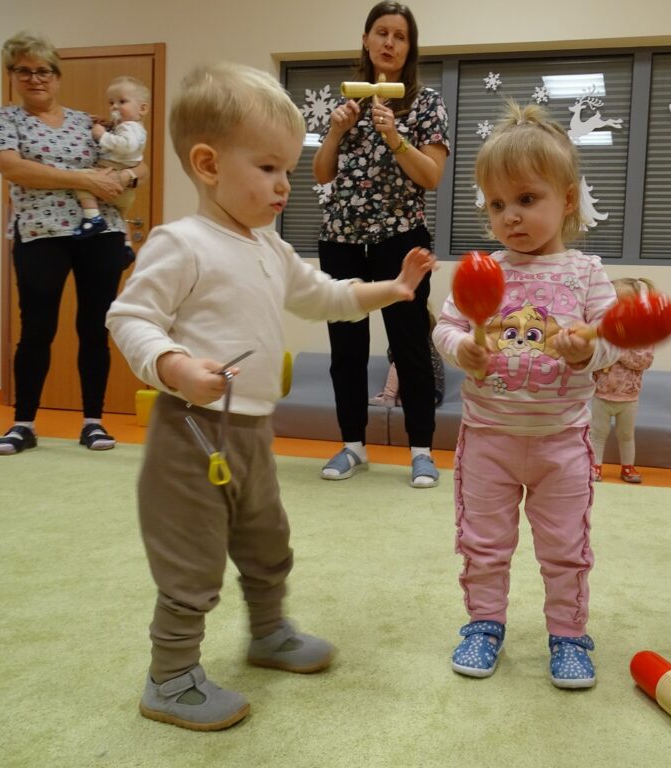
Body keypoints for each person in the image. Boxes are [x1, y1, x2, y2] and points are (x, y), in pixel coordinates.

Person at [105, 62, 436, 731]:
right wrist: (172, 364)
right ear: (206, 163)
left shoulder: (269, 246)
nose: (284, 184)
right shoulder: (182, 243)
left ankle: (267, 633)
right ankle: (170, 676)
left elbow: (329, 296)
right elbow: (128, 318)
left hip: (253, 433)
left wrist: (393, 292)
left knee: (267, 542)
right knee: (191, 559)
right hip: (191, 433)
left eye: (289, 168)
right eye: (267, 168)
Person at [433, 102, 620, 689]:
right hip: (488, 439)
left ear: (566, 200)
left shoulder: (587, 272)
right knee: (483, 543)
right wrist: (459, 348)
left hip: (562, 442)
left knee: (566, 547)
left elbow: (613, 337)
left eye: (527, 199)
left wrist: (585, 352)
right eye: (496, 204)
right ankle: (484, 625)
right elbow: (445, 325)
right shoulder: (482, 269)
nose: (510, 216)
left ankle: (568, 634)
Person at [0, 31, 145, 455]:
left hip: (100, 233)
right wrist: (85, 178)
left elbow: (133, 160)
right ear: (13, 75)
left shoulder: (85, 120)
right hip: (39, 234)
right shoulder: (5, 120)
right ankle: (23, 424)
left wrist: (126, 178)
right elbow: (15, 168)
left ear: (57, 75)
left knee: (94, 328)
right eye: (24, 71)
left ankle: (93, 422)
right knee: (36, 328)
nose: (35, 78)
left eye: (43, 70)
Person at [312, 1, 450, 488]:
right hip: (342, 237)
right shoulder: (344, 102)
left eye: (400, 35)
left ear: (409, 48)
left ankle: (420, 450)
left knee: (409, 346)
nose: (390, 42)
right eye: (382, 32)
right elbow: (322, 173)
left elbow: (431, 177)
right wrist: (334, 131)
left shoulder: (427, 103)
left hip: (401, 239)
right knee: (345, 346)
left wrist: (394, 138)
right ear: (367, 40)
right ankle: (353, 445)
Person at [589, 277, 655, 484]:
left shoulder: (642, 333)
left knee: (626, 435)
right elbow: (592, 360)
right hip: (601, 394)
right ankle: (595, 466)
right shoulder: (602, 330)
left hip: (628, 397)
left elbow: (644, 360)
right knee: (597, 433)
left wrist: (617, 351)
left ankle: (627, 467)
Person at [73, 76, 149, 241]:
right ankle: (127, 244)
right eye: (111, 103)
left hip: (115, 174)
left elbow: (126, 146)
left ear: (142, 109)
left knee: (83, 181)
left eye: (122, 101)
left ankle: (92, 217)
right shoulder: (127, 127)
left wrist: (102, 136)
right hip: (125, 188)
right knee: (120, 217)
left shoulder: (131, 127)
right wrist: (108, 126)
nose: (115, 106)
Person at [369, 307, 445, 407]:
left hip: (428, 393)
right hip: (435, 395)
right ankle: (399, 399)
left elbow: (392, 355)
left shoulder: (415, 345)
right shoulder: (431, 348)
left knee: (400, 361)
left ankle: (388, 397)